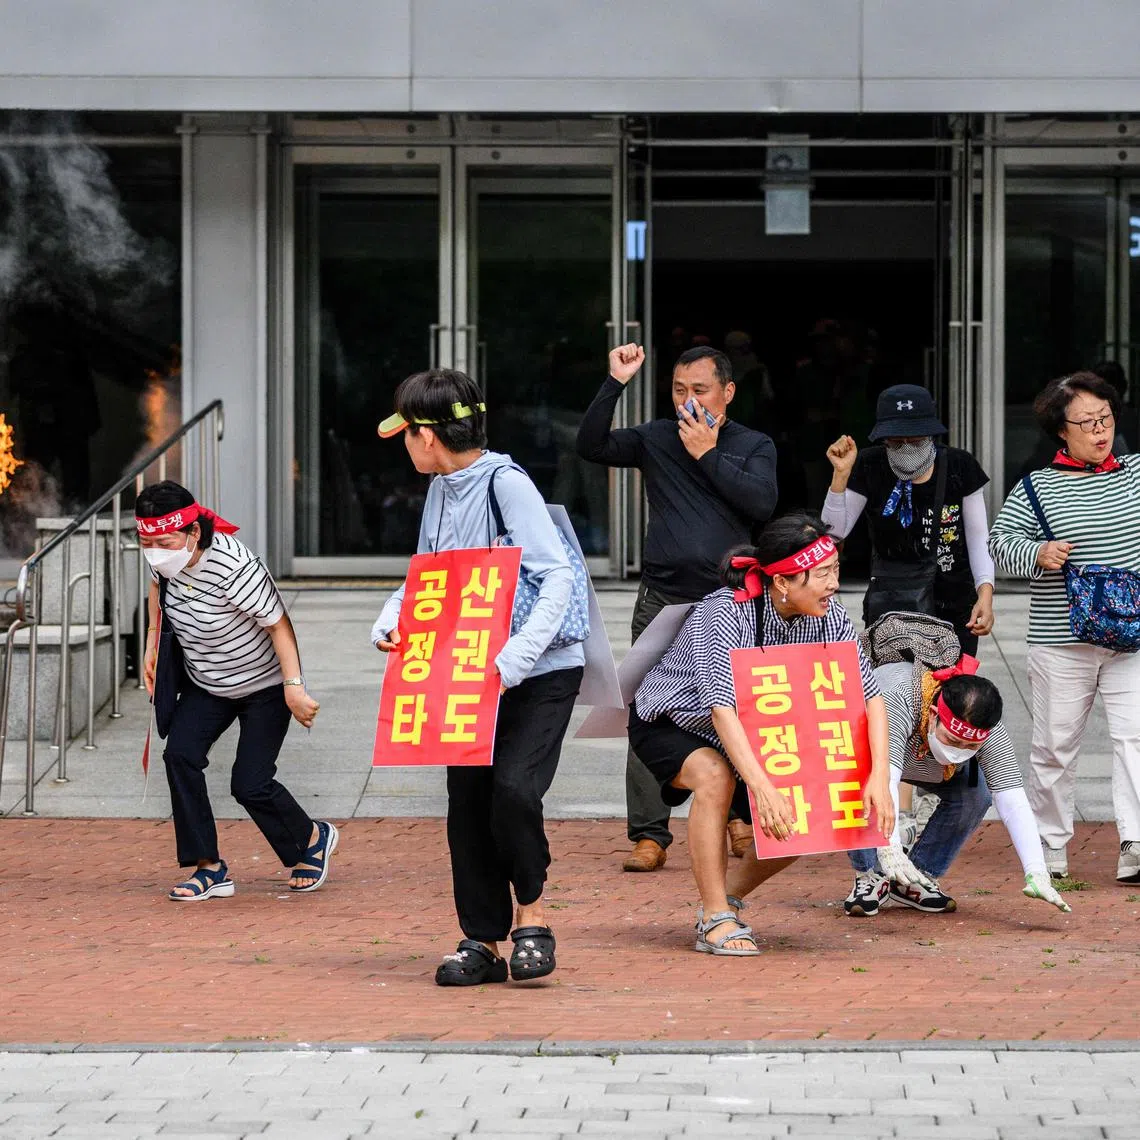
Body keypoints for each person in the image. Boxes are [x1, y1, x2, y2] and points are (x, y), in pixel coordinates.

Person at [372, 368, 584, 986]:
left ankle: (534, 921)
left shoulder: (506, 483)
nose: (404, 446)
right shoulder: (441, 487)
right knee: (466, 807)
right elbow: (429, 574)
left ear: (428, 436)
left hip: (539, 670)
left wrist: (514, 659)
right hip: (464, 674)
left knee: (514, 792)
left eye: (405, 434)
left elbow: (558, 576)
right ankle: (483, 941)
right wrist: (392, 619)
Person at [628, 513, 896, 954]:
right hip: (673, 719)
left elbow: (869, 696)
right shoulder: (726, 610)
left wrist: (878, 778)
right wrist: (762, 786)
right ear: (784, 582)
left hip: (761, 728)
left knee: (806, 818)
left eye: (836, 572)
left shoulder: (829, 614)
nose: (834, 584)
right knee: (715, 777)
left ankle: (724, 901)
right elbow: (721, 708)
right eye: (823, 574)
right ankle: (715, 920)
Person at [576, 343, 779, 871]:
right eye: (679, 390)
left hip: (733, 602)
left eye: (701, 391)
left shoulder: (753, 444)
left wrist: (708, 453)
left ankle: (740, 815)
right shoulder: (656, 437)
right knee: (645, 709)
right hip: (663, 597)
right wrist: (615, 381)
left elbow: (762, 504)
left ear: (727, 392)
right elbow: (591, 446)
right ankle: (649, 834)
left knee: (740, 709)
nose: (689, 402)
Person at [138, 480, 331, 902]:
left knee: (250, 783)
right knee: (180, 756)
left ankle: (312, 838)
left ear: (193, 533)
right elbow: (157, 589)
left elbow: (278, 624)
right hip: (207, 682)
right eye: (146, 542)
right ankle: (209, 867)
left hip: (262, 685)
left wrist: (294, 688)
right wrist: (152, 642)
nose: (154, 551)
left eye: (164, 541)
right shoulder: (165, 561)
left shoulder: (234, 567)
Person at [990, 371, 1140, 885]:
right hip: (1061, 640)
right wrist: (1038, 552)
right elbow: (999, 543)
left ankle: (1136, 845)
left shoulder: (1137, 474)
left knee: (1135, 739)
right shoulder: (1037, 487)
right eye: (1086, 423)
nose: (1100, 431)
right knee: (1054, 746)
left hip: (1132, 638)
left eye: (1105, 418)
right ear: (1061, 430)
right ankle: (1050, 849)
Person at [842, 655, 1071, 918]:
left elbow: (1012, 799)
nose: (958, 750)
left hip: (933, 767)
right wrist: (890, 847)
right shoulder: (899, 700)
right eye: (952, 740)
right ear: (933, 715)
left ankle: (916, 877)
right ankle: (869, 875)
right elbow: (886, 781)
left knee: (975, 794)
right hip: (878, 759)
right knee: (858, 781)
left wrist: (1037, 871)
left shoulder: (989, 730)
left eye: (970, 747)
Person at [822, 383, 995, 656]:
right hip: (892, 605)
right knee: (893, 690)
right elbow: (833, 533)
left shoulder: (960, 466)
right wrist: (840, 475)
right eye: (895, 441)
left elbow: (978, 539)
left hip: (953, 603)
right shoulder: (870, 464)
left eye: (915, 441)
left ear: (931, 434)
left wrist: (985, 594)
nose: (905, 448)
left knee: (953, 693)